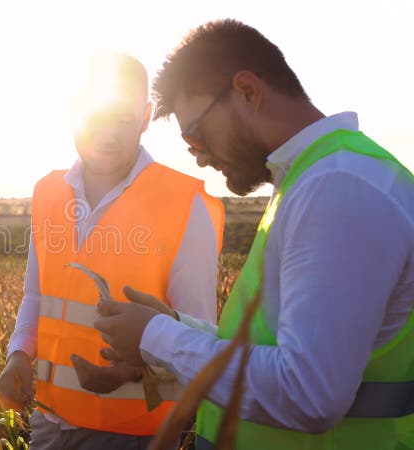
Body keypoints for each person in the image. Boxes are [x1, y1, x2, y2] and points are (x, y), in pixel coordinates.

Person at [94, 19, 414, 450]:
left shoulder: (339, 187)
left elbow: (308, 393)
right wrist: (172, 327)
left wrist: (157, 337)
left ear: (247, 91)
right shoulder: (311, 181)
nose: (201, 158)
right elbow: (266, 347)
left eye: (197, 134)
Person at [0, 51, 225, 449]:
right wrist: (19, 353)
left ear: (145, 116)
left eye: (122, 120)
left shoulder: (184, 204)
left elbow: (198, 341)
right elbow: (37, 294)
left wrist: (134, 371)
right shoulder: (48, 193)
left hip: (134, 434)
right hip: (48, 425)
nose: (107, 135)